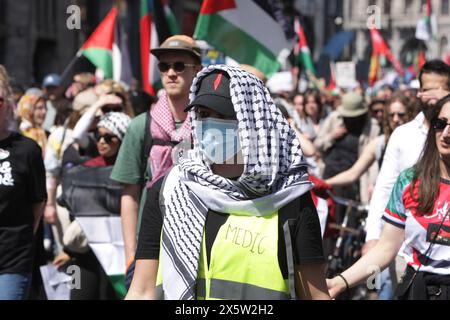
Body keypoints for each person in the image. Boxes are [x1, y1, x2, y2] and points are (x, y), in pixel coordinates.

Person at [126, 66, 330, 300]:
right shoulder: (170, 190)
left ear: (252, 121)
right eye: (202, 114)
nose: (209, 124)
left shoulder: (290, 200)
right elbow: (142, 291)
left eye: (222, 115)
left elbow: (316, 296)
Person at [327, 95, 450, 300]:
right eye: (440, 123)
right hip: (418, 291)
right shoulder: (409, 181)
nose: (446, 133)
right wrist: (339, 282)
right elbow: (386, 248)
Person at [110, 35, 203, 289]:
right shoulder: (142, 125)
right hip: (150, 247)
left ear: (198, 71)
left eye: (179, 66)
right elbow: (130, 193)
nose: (171, 72)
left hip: (199, 244)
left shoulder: (211, 127)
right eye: (164, 66)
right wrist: (131, 254)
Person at [364, 60, 450, 260]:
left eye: (437, 91)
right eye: (425, 90)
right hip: (403, 254)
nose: (430, 98)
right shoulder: (403, 135)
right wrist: (373, 237)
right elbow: (385, 188)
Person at [54, 112, 131, 300]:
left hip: (119, 256)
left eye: (109, 137)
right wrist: (68, 249)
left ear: (123, 140)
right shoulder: (85, 170)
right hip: (83, 253)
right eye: (98, 135)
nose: (101, 141)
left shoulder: (134, 173)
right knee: (79, 295)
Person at [0, 69, 47, 300]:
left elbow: (38, 201)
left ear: (8, 103)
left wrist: (25, 238)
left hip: (13, 259)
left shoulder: (27, 150)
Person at [325, 94, 416, 189]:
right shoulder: (380, 142)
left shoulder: (421, 140)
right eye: (391, 115)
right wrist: (324, 183)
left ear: (410, 114)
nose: (395, 119)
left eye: (401, 115)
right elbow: (353, 173)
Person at [315, 92, 380, 205]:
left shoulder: (372, 127)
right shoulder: (334, 119)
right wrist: (331, 136)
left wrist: (372, 183)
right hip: (330, 175)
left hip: (354, 179)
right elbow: (317, 146)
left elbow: (373, 160)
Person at [17, 91, 48, 155]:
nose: (44, 111)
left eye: (45, 108)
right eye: (39, 108)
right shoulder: (18, 133)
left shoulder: (46, 133)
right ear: (28, 109)